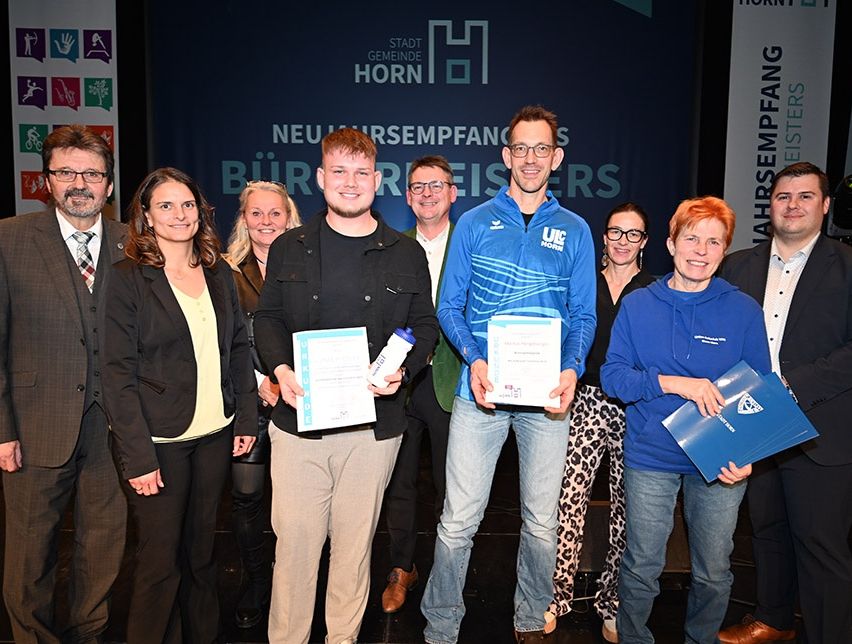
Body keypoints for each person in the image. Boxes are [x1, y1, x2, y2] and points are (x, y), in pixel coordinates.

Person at [254, 128, 439, 644]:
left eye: (361, 173)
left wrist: (404, 369)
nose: (350, 182)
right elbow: (267, 319)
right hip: (298, 424)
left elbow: (425, 326)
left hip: (373, 431)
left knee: (354, 550)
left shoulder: (404, 252)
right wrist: (280, 369)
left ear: (376, 181)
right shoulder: (290, 246)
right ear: (320, 178)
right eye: (339, 171)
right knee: (294, 550)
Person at [420, 105, 597, 644]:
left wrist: (571, 369)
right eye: (520, 148)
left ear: (556, 157)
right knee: (457, 522)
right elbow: (449, 307)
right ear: (506, 156)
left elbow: (584, 314)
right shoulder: (474, 223)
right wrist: (475, 360)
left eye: (541, 148)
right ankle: (441, 624)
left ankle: (529, 618)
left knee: (542, 525)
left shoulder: (575, 230)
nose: (530, 159)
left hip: (547, 399)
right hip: (483, 394)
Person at [600, 196, 771, 643]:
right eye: (691, 238)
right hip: (651, 452)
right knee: (641, 564)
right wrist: (676, 383)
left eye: (713, 241)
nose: (701, 250)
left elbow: (762, 390)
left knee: (714, 570)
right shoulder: (638, 305)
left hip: (719, 458)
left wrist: (750, 453)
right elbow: (614, 378)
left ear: (724, 249)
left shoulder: (744, 311)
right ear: (671, 244)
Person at [102, 167, 257, 643]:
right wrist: (138, 457)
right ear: (145, 215)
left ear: (200, 212)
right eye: (165, 205)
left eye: (187, 204)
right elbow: (116, 374)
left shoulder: (218, 272)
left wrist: (245, 416)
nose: (178, 214)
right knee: (159, 561)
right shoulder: (127, 279)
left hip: (214, 434)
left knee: (202, 555)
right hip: (160, 444)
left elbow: (236, 349)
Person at [0, 124, 127, 644]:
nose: (81, 183)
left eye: (93, 174)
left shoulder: (134, 243)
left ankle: (89, 634)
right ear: (46, 180)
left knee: (103, 546)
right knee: (30, 553)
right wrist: (2, 426)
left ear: (109, 186)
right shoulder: (8, 238)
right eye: (67, 171)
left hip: (114, 428)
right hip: (34, 425)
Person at [717, 162, 852, 644]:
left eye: (805, 197)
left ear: (825, 205)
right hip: (753, 422)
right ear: (769, 204)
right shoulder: (738, 265)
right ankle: (773, 620)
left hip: (822, 424)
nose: (792, 205)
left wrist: (793, 384)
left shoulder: (847, 264)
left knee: (821, 545)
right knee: (767, 529)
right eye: (783, 197)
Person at [550, 202, 654, 643]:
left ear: (645, 242)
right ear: (604, 237)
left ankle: (611, 603)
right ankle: (556, 596)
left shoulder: (656, 289)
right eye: (616, 232)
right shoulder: (583, 283)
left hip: (635, 408)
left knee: (625, 510)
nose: (624, 241)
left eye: (634, 234)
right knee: (568, 499)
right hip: (585, 400)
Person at [381, 155, 463, 614]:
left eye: (437, 185)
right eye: (418, 187)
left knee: (451, 487)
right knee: (400, 483)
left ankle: (445, 576)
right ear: (408, 196)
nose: (427, 193)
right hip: (398, 383)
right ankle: (402, 569)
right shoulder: (392, 246)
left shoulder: (469, 244)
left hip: (452, 379)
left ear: (452, 193)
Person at [225, 180, 302, 629]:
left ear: (289, 217)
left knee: (299, 504)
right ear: (244, 219)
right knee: (247, 496)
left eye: (275, 213)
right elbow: (223, 342)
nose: (266, 222)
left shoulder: (311, 267)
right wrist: (260, 381)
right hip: (249, 401)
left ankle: (294, 580)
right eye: (257, 213)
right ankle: (257, 579)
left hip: (302, 400)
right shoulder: (225, 271)